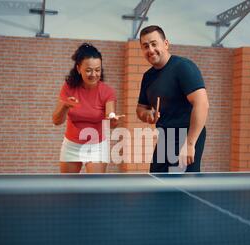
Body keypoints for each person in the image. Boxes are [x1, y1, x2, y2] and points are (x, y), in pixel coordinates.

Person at [136, 26, 209, 172]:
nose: (150, 49)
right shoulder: (148, 77)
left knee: (182, 188)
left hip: (187, 135)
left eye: (154, 43)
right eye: (145, 46)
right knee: (157, 181)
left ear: (166, 44)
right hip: (165, 136)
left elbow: (202, 104)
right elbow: (141, 108)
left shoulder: (183, 67)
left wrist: (190, 144)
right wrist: (147, 115)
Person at [52, 43, 123, 173]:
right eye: (89, 70)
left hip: (97, 146)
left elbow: (111, 117)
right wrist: (65, 106)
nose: (94, 74)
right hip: (71, 145)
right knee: (68, 189)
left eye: (97, 70)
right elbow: (56, 121)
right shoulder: (69, 87)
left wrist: (113, 120)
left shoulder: (107, 92)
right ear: (79, 68)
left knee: (95, 188)